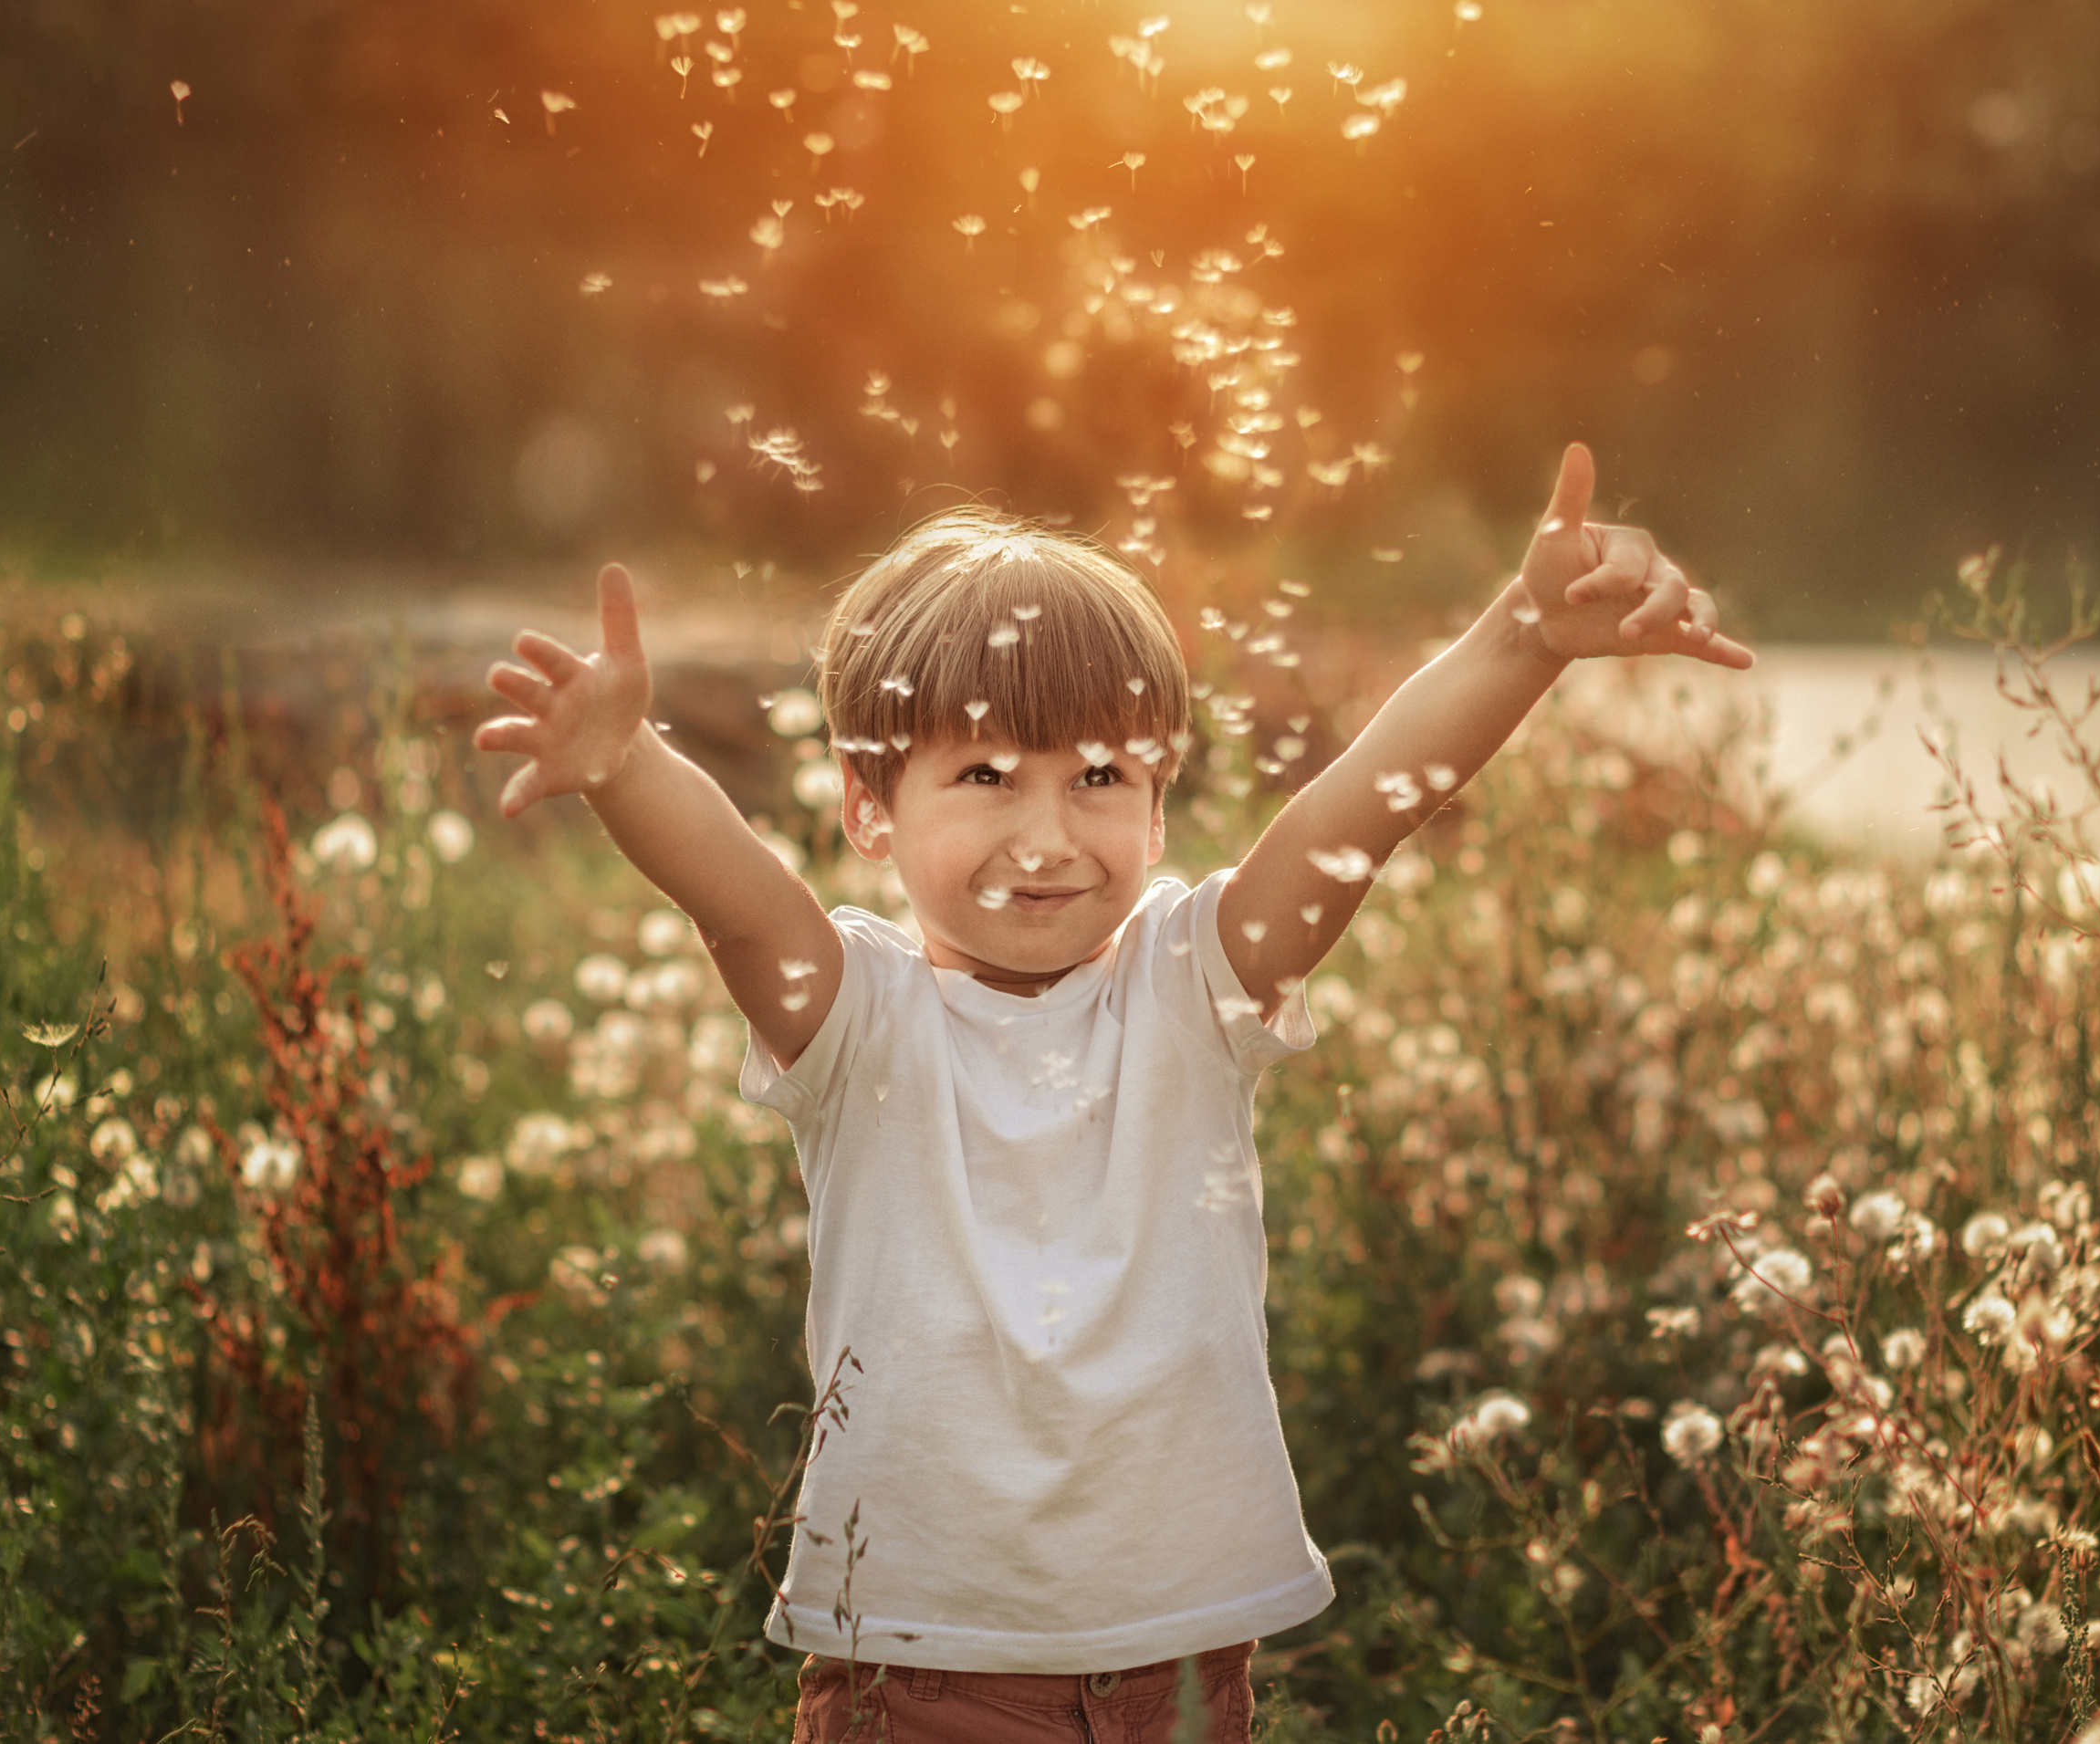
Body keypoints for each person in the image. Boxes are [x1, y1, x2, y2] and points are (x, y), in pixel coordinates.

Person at [474, 444, 1753, 1742]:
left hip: (1183, 1671)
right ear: (869, 804)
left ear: (1159, 801)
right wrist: (627, 766)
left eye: (1099, 776)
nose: (1046, 837)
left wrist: (1522, 636)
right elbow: (735, 895)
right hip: (921, 1677)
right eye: (984, 777)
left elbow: (1360, 810)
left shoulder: (1197, 988)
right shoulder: (857, 1022)